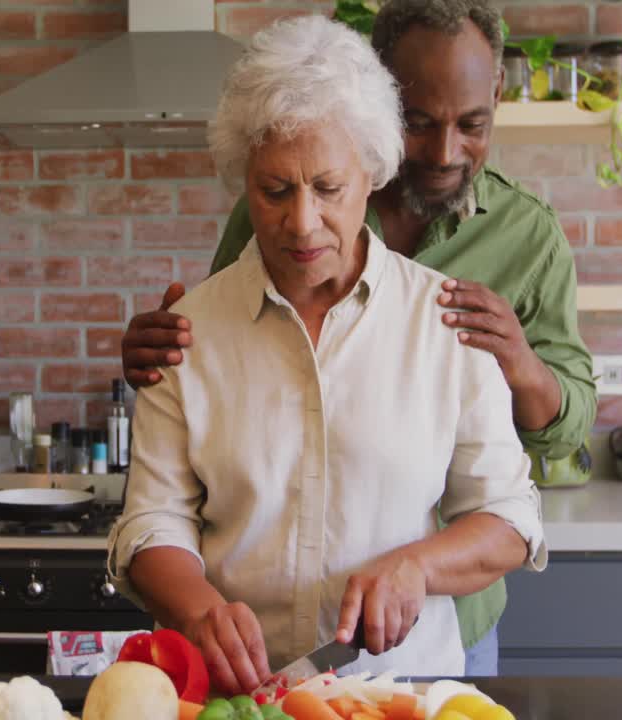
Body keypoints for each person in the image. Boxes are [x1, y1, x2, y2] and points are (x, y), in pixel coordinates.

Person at [119, 0, 596, 676]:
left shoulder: (451, 318)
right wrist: (199, 611)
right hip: (240, 692)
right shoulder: (193, 327)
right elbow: (152, 520)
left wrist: (417, 567)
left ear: (371, 172)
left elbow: (512, 514)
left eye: (328, 187)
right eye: (275, 190)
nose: (302, 223)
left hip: (405, 685)